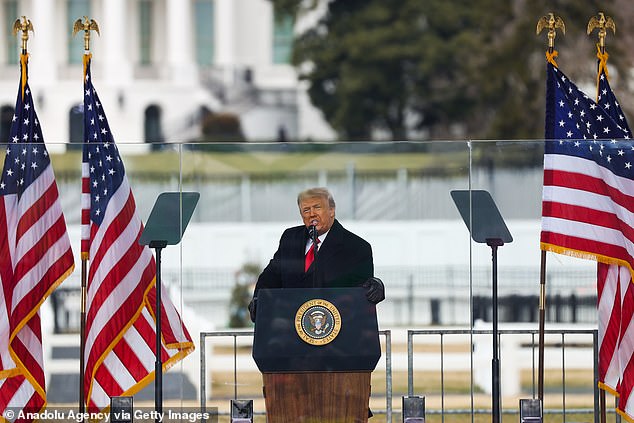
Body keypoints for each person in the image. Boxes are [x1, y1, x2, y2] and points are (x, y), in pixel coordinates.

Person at [248, 187, 384, 322]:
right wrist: (259, 299)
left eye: (317, 207)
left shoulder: (357, 247)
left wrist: (375, 286)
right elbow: (271, 276)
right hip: (291, 328)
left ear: (332, 210)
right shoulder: (290, 238)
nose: (312, 214)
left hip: (335, 331)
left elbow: (362, 292)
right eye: (306, 210)